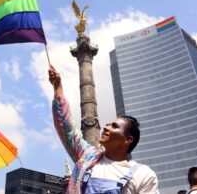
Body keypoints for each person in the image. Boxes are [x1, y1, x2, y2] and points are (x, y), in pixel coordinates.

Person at [48, 66, 159, 194]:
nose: (106, 127)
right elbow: (66, 129)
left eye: (114, 126)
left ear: (128, 139)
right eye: (107, 124)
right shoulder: (87, 156)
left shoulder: (143, 175)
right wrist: (58, 88)